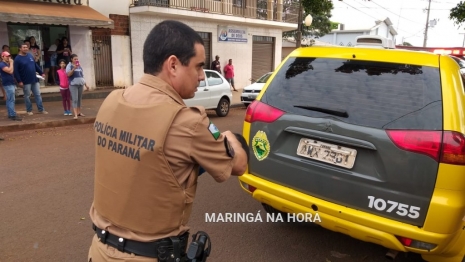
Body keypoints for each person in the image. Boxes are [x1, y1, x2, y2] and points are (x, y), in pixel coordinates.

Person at [87, 20, 248, 262]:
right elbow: (239, 165)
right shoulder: (188, 123)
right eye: (198, 67)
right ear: (173, 65)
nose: (202, 77)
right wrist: (228, 138)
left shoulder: (112, 101)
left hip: (98, 250)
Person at [14, 43, 48, 115]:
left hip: (34, 79)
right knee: (27, 96)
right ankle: (29, 110)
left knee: (38, 94)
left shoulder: (30, 55)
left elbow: (35, 65)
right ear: (20, 48)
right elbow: (16, 71)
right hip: (25, 81)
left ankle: (41, 109)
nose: (26, 48)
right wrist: (19, 81)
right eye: (24, 47)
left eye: (26, 47)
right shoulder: (17, 59)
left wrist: (41, 73)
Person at [66, 54, 89, 119]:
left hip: (81, 84)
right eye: (75, 59)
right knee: (75, 99)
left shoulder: (80, 66)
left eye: (77, 59)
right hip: (73, 85)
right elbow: (68, 74)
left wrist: (86, 84)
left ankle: (79, 112)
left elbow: (82, 76)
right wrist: (74, 69)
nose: (76, 60)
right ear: (71, 59)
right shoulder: (69, 66)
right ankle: (75, 114)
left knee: (79, 99)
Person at [0, 51, 21, 121]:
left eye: (9, 56)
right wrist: (12, 63)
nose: (8, 57)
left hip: (11, 83)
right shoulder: (2, 64)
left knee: (9, 99)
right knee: (11, 100)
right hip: (8, 84)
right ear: (2, 57)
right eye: (6, 56)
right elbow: (10, 71)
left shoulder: (7, 64)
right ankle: (12, 115)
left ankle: (11, 114)